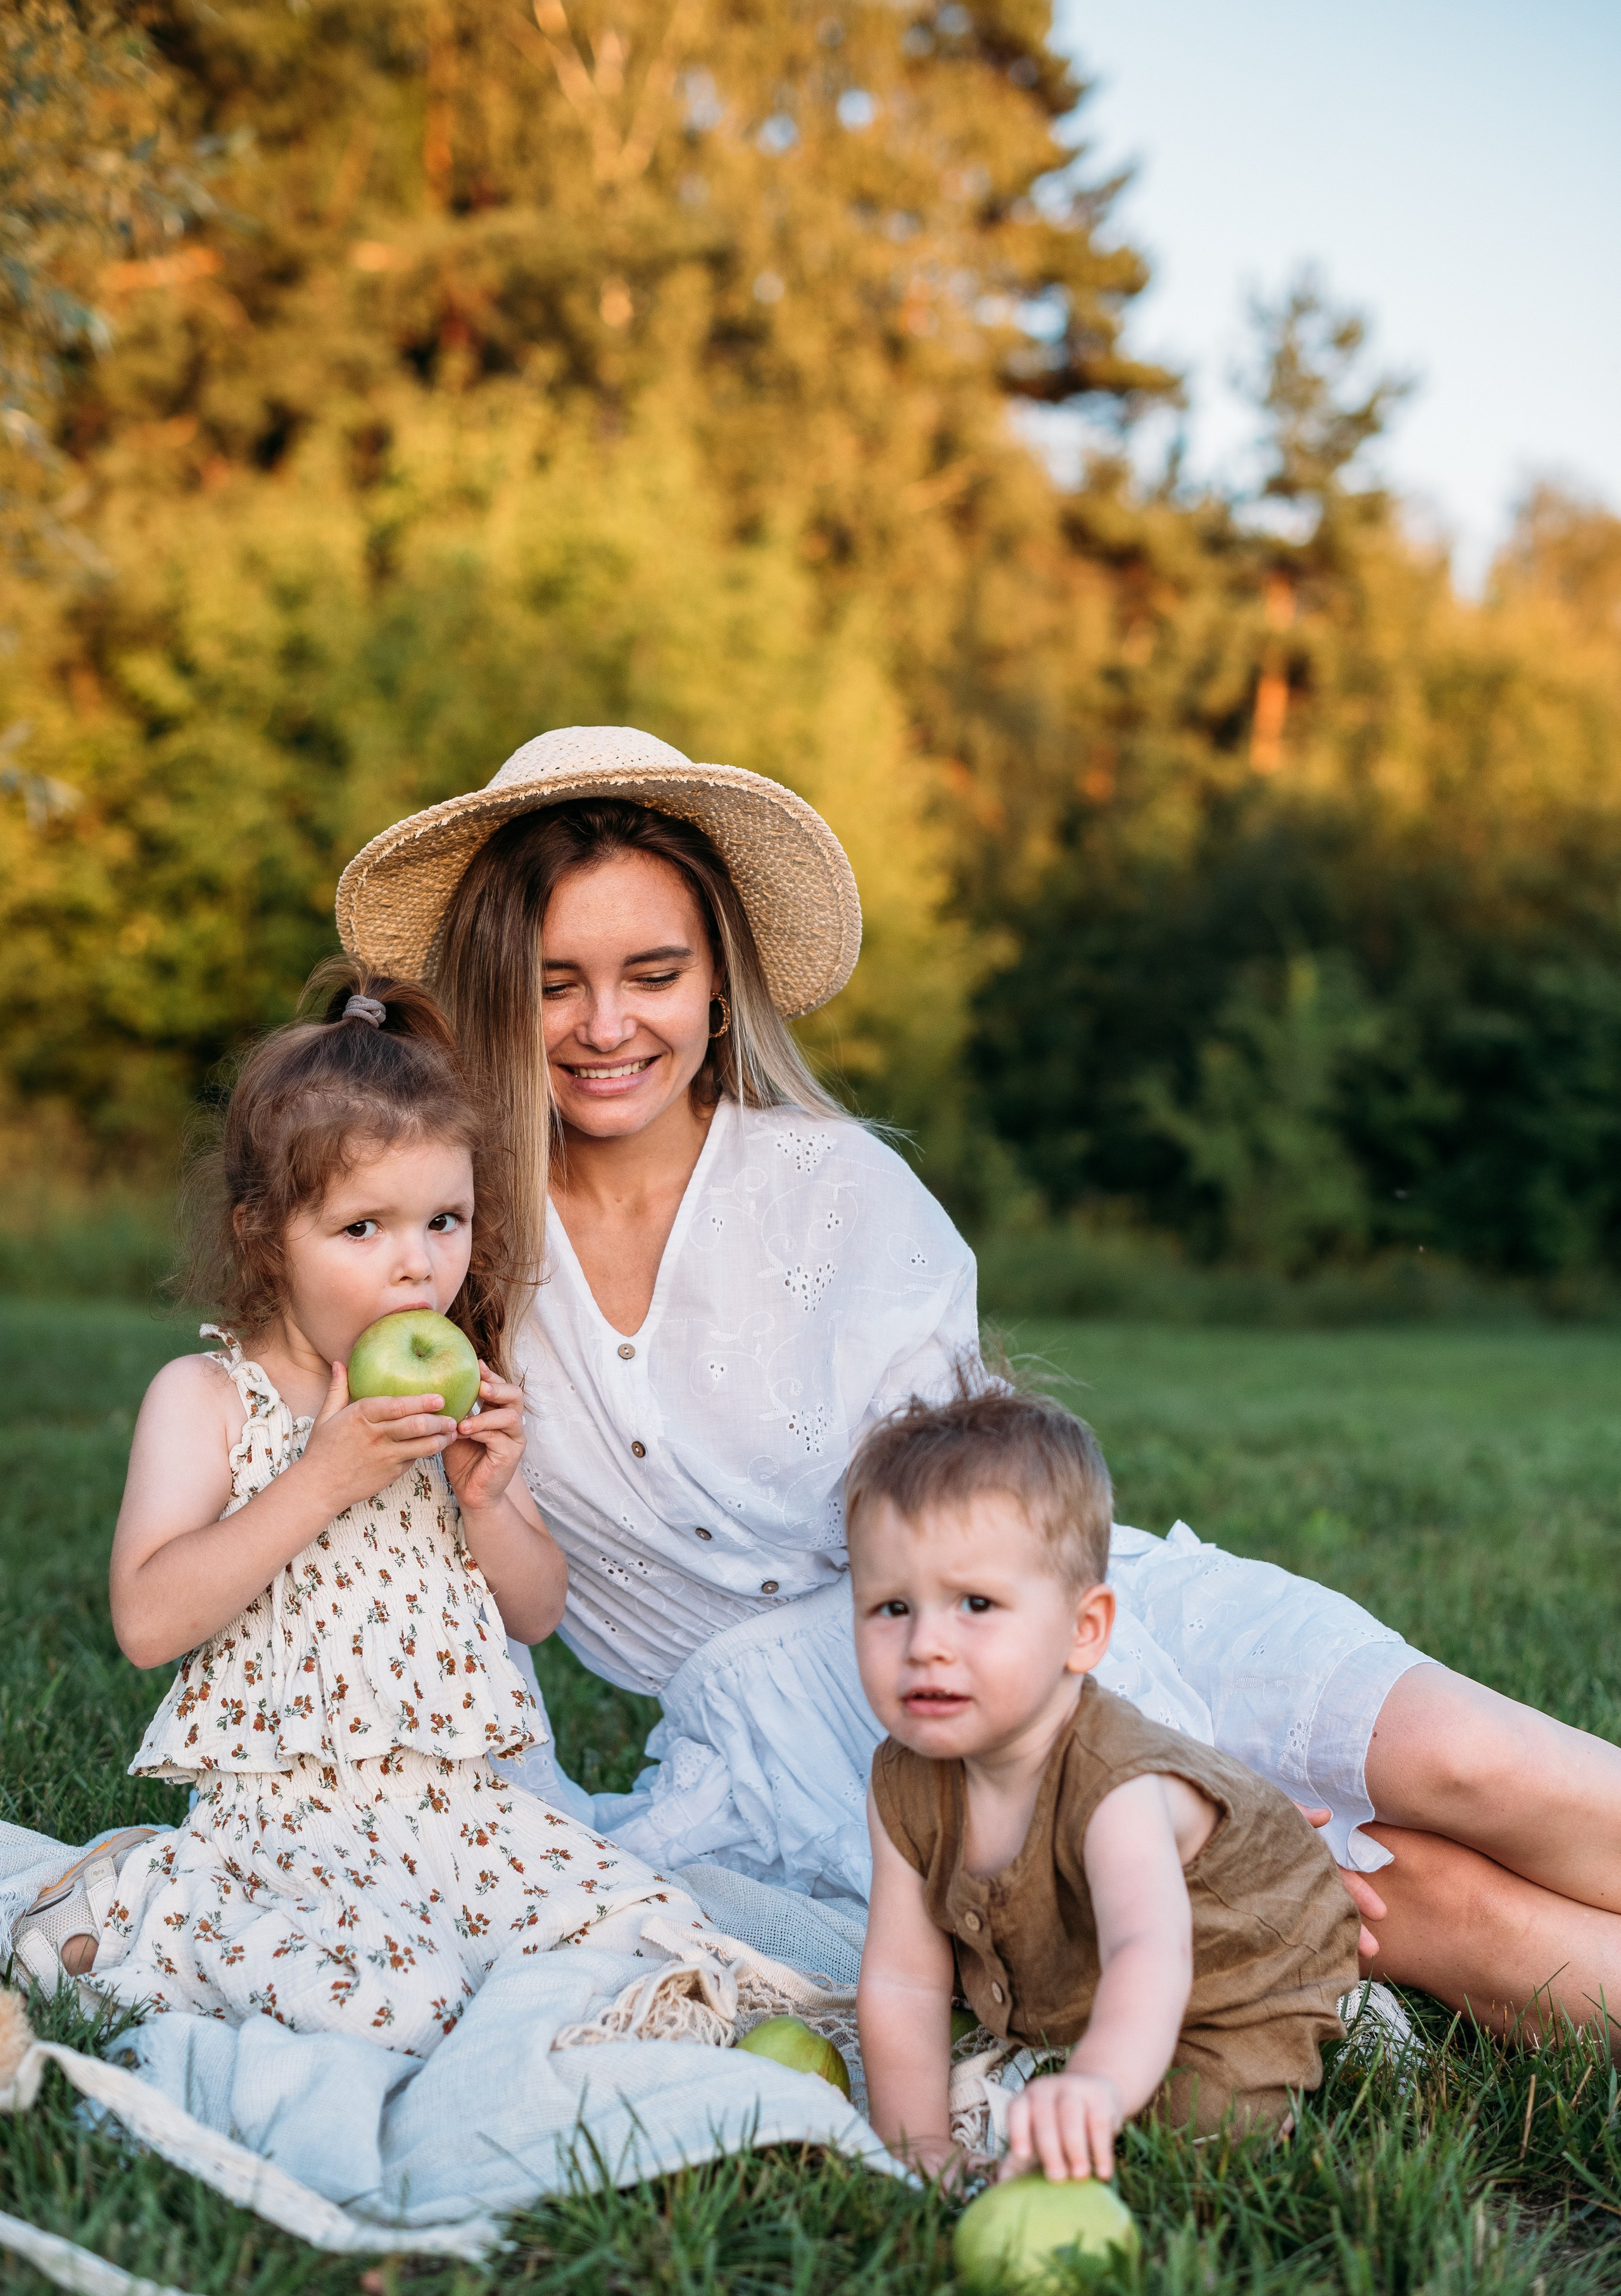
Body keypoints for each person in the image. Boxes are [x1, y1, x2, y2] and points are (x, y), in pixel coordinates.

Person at [327, 722, 1621, 2043]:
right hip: (823, 1759)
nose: (608, 1026)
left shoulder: (832, 1189)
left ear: (718, 983)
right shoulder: (446, 1250)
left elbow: (982, 1510)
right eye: (556, 984)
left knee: (1475, 1763)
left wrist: (1133, 1747)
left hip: (1044, 1629)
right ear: (496, 990)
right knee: (1411, 1903)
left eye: (652, 973)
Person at [11, 963, 710, 2051]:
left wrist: (486, 1503)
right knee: (399, 2004)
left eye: (445, 1221)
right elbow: (149, 1622)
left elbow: (536, 1615)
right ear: (262, 1237)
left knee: (654, 1933)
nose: (417, 1269)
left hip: (459, 1818)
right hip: (278, 1828)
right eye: (363, 1230)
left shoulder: (450, 1395)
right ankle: (136, 1900)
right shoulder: (209, 1401)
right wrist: (320, 1479)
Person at [852, 1385, 1360, 2182]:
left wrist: (1097, 2083)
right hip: (1104, 1952)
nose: (925, 1644)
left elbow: (1148, 1956)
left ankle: (1351, 2014)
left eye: (975, 1603)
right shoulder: (901, 1780)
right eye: (889, 1607)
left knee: (1194, 2133)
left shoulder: (1114, 1787)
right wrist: (921, 2149)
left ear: (1083, 1631)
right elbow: (900, 1976)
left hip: (1232, 1964)